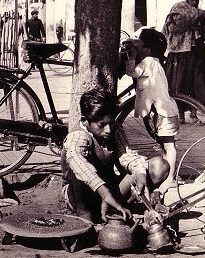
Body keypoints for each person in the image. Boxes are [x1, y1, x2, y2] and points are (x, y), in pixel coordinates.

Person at [61, 88, 170, 223]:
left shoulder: (115, 129)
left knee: (160, 166)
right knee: (79, 169)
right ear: (85, 121)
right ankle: (85, 218)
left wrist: (141, 177)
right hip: (81, 197)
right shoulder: (77, 136)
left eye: (111, 123)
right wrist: (105, 194)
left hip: (110, 192)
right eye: (102, 124)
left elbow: (128, 157)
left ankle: (114, 209)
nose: (108, 129)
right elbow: (80, 166)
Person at [123, 27, 180, 202]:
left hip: (163, 112)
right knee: (165, 146)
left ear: (147, 48)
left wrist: (131, 57)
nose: (135, 44)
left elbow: (132, 72)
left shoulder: (148, 62)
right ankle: (166, 174)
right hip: (163, 111)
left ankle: (169, 179)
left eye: (138, 43)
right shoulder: (153, 60)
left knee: (169, 147)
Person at [162, 0, 205, 123]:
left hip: (196, 52)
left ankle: (194, 114)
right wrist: (189, 24)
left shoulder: (200, 14)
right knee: (179, 83)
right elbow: (172, 29)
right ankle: (179, 114)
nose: (194, 2)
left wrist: (200, 29)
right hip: (179, 52)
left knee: (197, 83)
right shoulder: (178, 10)